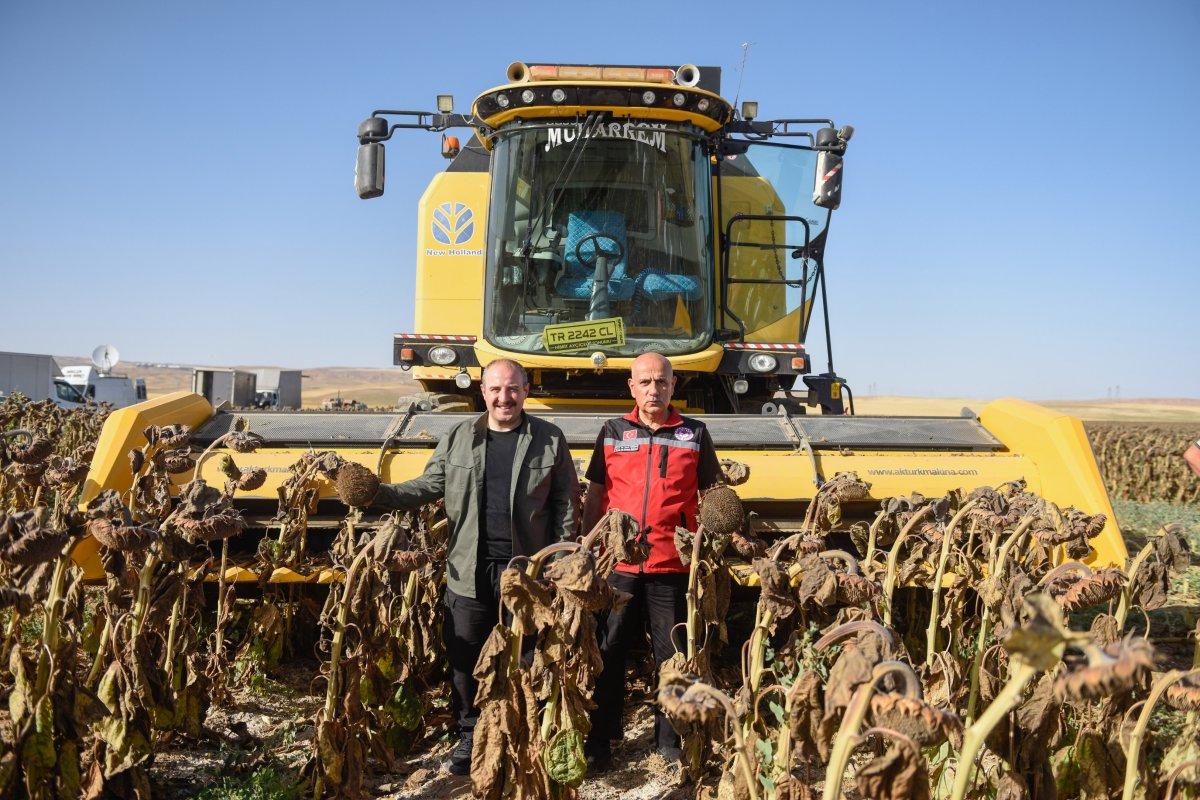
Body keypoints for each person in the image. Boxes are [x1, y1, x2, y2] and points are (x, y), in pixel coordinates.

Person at [354, 359, 578, 775]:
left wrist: (559, 562)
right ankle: (469, 736)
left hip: (525, 574)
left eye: (512, 389)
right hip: (468, 568)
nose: (504, 397)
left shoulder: (548, 439)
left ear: (526, 390)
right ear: (483, 391)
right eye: (495, 389)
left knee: (528, 655)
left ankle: (524, 734)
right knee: (465, 657)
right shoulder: (458, 437)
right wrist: (377, 494)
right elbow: (427, 486)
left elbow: (566, 502)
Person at [581, 352, 723, 769]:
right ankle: (602, 740)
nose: (653, 389)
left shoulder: (694, 433)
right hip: (619, 566)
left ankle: (670, 743)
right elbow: (595, 494)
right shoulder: (612, 431)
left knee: (672, 656)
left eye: (661, 382)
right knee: (608, 653)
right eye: (645, 382)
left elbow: (713, 496)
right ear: (631, 387)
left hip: (672, 566)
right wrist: (588, 548)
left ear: (673, 386)